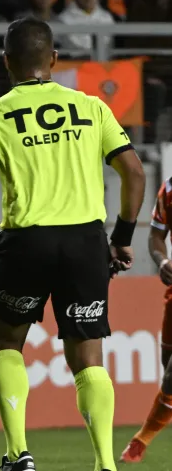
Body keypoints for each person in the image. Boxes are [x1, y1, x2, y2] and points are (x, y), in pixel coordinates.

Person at [0, 17, 146, 471]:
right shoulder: (91, 107)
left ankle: (18, 454)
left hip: (27, 243)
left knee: (6, 343)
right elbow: (134, 173)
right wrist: (120, 238)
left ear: (6, 62)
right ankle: (105, 463)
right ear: (54, 59)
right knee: (88, 357)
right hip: (85, 242)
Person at [119, 175, 172, 462]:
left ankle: (142, 439)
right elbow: (156, 236)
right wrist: (162, 261)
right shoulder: (170, 189)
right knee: (168, 368)